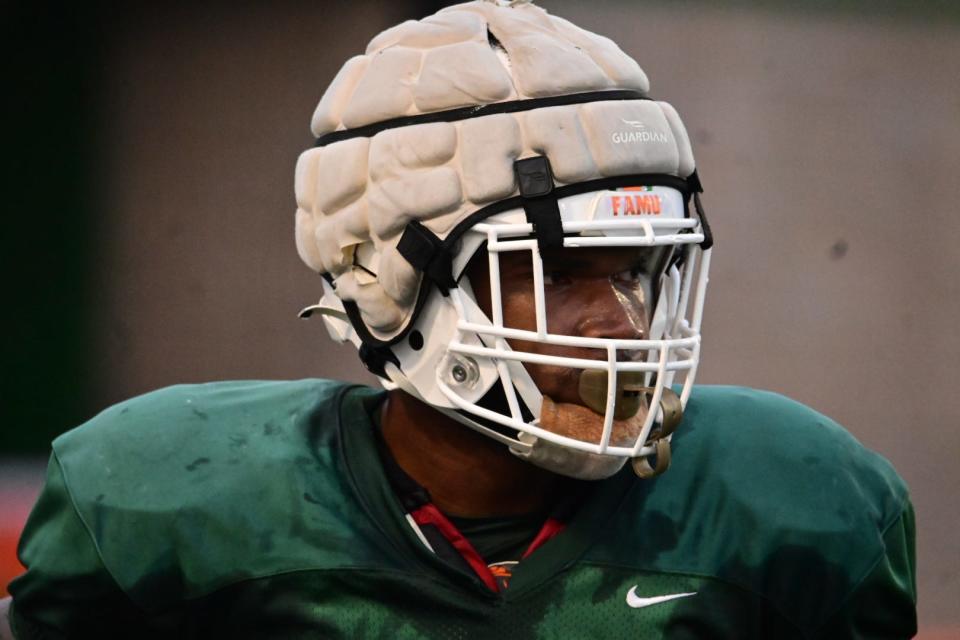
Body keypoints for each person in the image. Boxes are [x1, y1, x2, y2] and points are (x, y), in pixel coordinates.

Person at [2, 1, 917, 638]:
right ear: (389, 285)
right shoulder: (176, 505)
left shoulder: (790, 508)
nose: (621, 320)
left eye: (638, 268)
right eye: (558, 271)